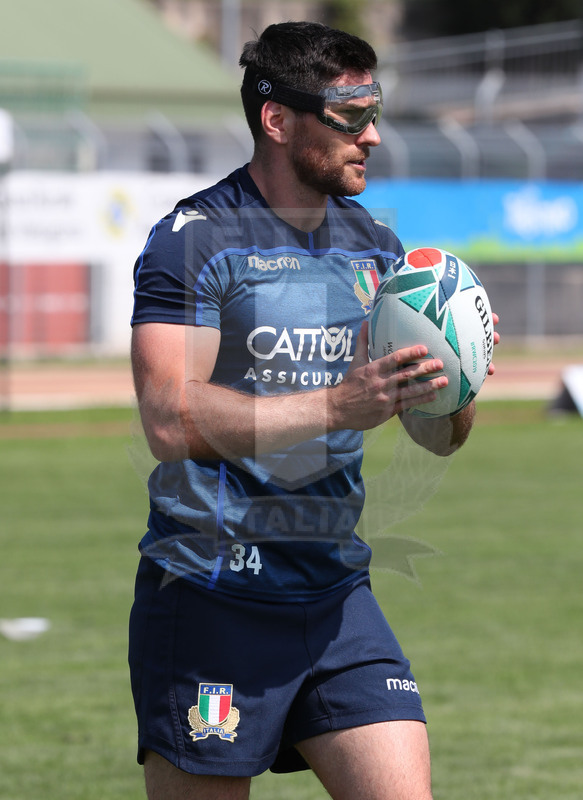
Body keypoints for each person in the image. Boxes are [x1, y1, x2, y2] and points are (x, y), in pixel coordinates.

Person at [129, 20, 498, 800]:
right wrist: (338, 403)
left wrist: (456, 379)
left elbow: (434, 437)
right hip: (211, 599)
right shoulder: (191, 241)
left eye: (375, 113)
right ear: (277, 119)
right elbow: (169, 423)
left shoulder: (377, 251)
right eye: (351, 117)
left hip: (336, 599)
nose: (372, 136)